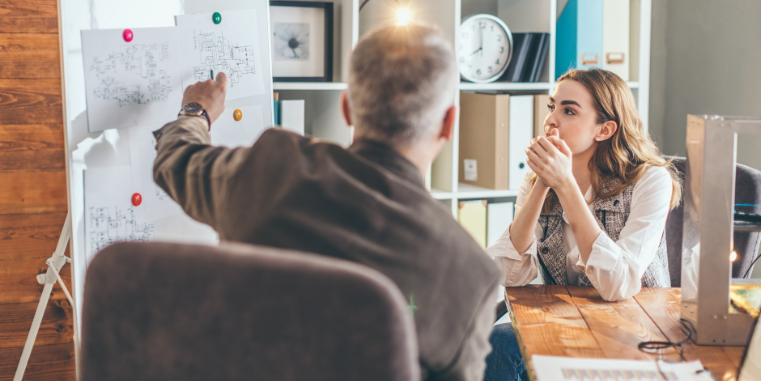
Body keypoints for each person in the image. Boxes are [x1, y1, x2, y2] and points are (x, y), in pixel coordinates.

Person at [152, 23, 500, 381]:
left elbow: (176, 161)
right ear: (448, 123)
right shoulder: (471, 276)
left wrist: (197, 111)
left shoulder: (270, 170)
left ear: (346, 109)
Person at [483, 68, 681, 381]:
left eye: (569, 110)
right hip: (562, 323)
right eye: (552, 107)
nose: (551, 120)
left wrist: (566, 187)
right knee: (495, 345)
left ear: (604, 130)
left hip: (635, 328)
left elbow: (618, 284)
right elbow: (507, 273)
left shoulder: (650, 181)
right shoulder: (536, 179)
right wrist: (542, 185)